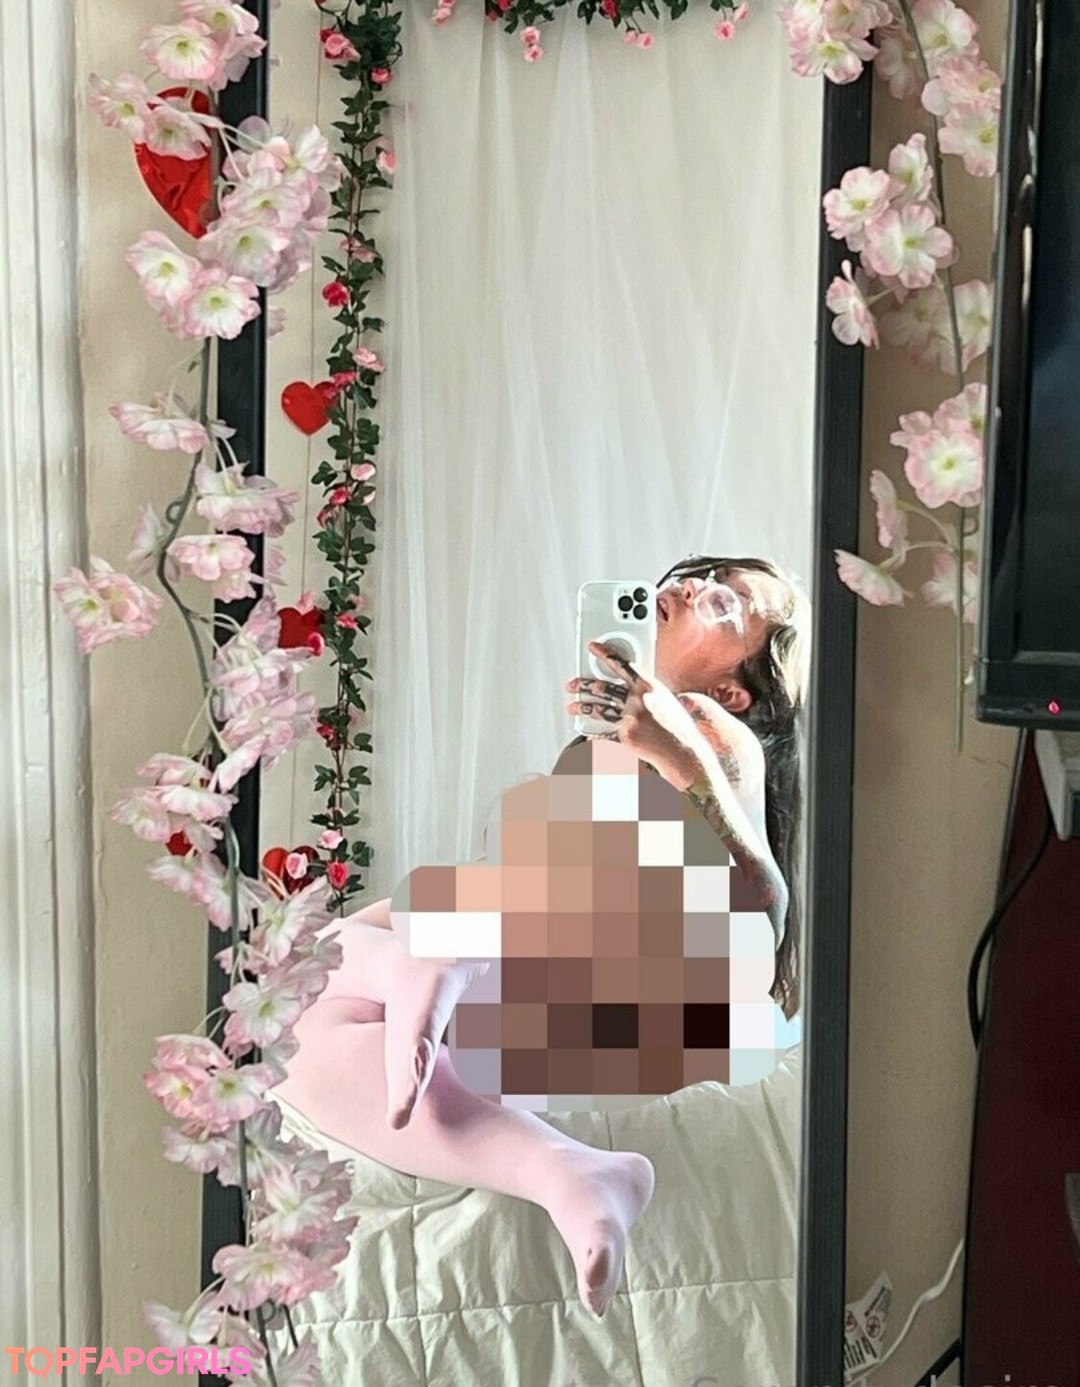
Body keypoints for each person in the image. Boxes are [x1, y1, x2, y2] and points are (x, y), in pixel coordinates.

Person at [273, 554, 811, 1318]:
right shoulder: (610, 745)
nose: (697, 587)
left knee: (314, 999)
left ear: (734, 690)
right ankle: (569, 1172)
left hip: (642, 989)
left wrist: (679, 755)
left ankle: (425, 971)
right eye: (706, 573)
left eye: (730, 603)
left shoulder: (712, 731)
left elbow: (761, 913)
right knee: (308, 1027)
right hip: (563, 973)